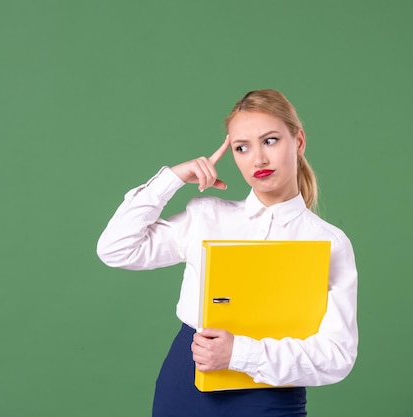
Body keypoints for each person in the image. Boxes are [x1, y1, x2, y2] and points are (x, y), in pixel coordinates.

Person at [96, 89, 358, 417]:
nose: (258, 160)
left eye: (271, 140)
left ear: (299, 141)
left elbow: (337, 357)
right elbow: (115, 249)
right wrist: (172, 179)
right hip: (185, 385)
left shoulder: (328, 242)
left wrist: (238, 354)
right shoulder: (207, 217)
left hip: (270, 397)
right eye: (242, 148)